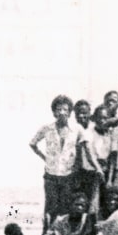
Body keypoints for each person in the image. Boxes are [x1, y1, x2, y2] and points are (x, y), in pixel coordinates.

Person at [29, 95, 80, 225]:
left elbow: (83, 147)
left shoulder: (76, 130)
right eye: (58, 109)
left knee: (64, 208)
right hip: (51, 175)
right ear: (54, 112)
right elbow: (33, 143)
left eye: (65, 109)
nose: (62, 112)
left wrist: (76, 164)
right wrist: (44, 157)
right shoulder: (47, 129)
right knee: (50, 209)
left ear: (69, 112)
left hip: (68, 174)